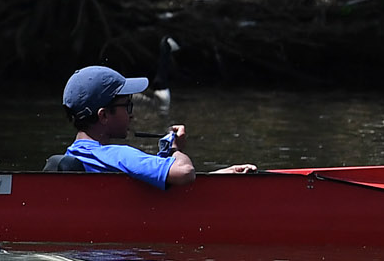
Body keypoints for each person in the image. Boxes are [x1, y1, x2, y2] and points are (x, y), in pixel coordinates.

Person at [46, 65, 255, 187]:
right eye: (127, 106)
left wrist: (220, 177)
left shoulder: (80, 155)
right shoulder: (116, 155)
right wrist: (175, 150)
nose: (132, 114)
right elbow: (184, 172)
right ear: (104, 115)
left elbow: (144, 190)